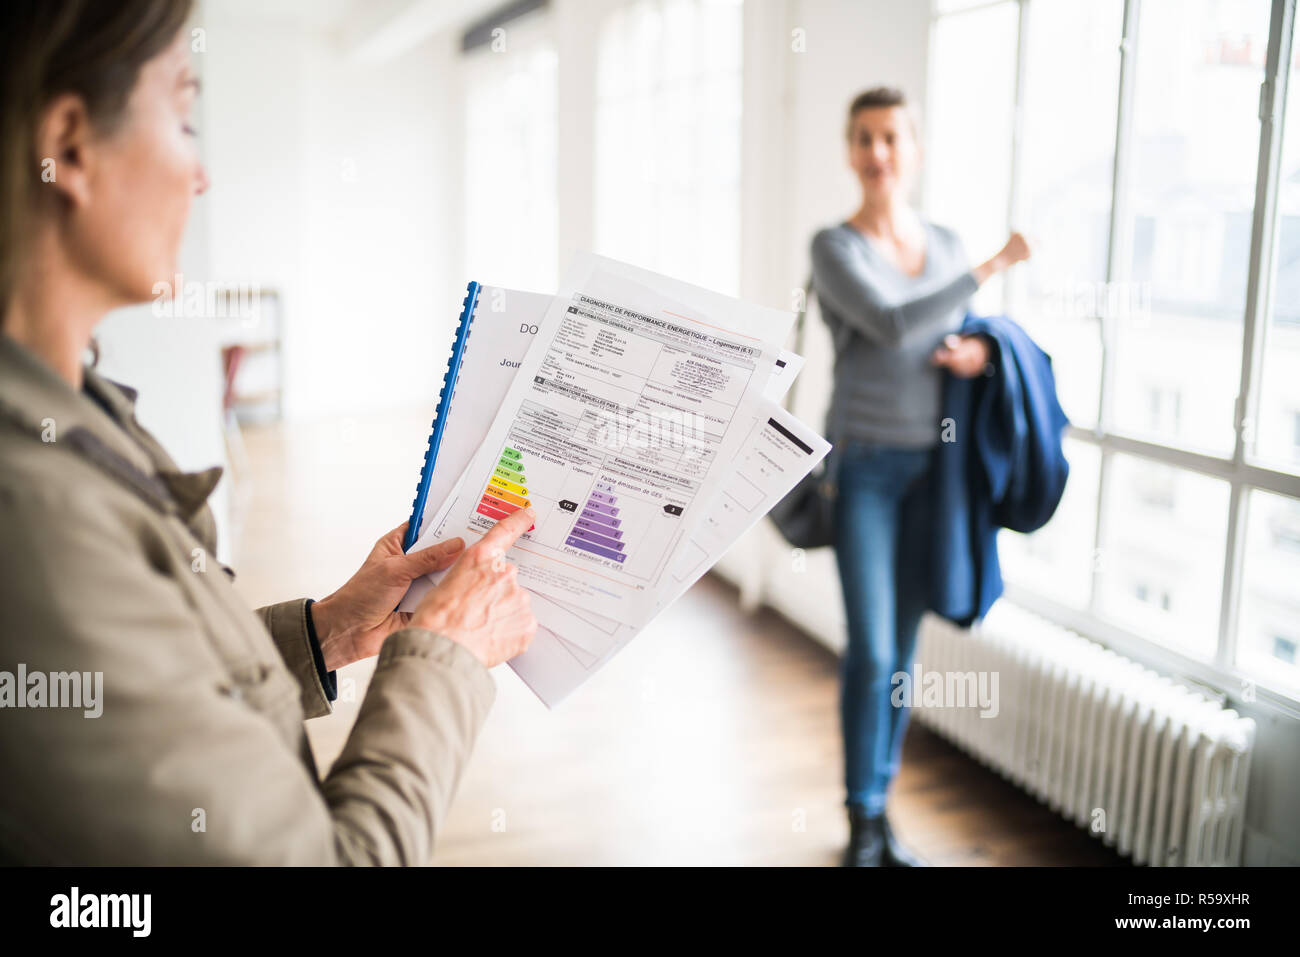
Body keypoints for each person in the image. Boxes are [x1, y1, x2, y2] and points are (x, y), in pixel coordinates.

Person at [0, 0, 537, 864]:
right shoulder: (29, 515)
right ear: (69, 146)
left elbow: (157, 686)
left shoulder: (77, 409)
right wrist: (445, 654)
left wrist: (324, 632)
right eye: (181, 116)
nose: (202, 176)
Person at [810, 87, 1031, 867]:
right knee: (871, 649)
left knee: (902, 656)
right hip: (862, 470)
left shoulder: (942, 241)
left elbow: (956, 333)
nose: (878, 154)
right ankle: (861, 817)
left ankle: (878, 814)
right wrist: (995, 264)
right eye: (864, 138)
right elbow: (896, 320)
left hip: (932, 473)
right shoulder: (834, 247)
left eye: (892, 139)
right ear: (849, 150)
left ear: (914, 149)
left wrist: (976, 354)